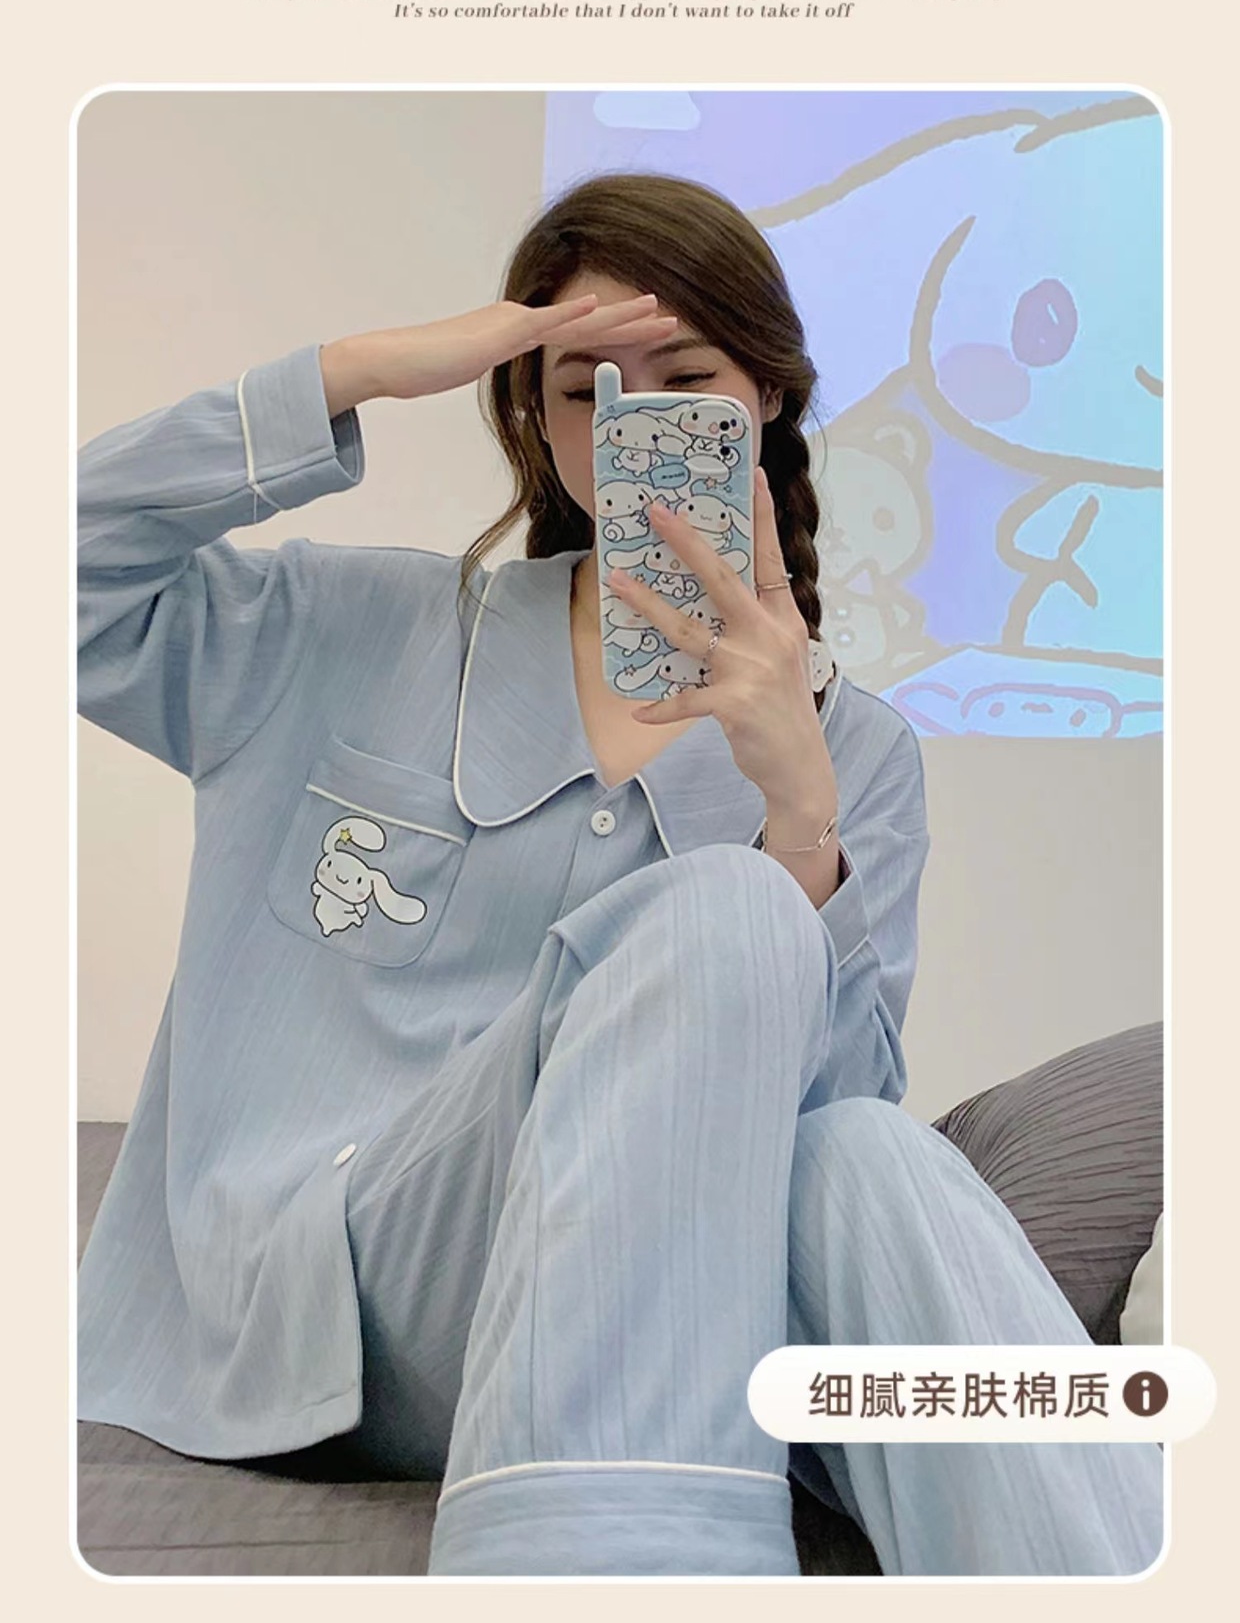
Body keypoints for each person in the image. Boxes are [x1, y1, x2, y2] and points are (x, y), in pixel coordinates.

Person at [77, 171, 1162, 1577]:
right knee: (726, 911)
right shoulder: (349, 629)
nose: (634, 422)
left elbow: (807, 1129)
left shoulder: (856, 754)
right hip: (339, 1303)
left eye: (687, 383)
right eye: (586, 390)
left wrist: (797, 808)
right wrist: (359, 372)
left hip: (644, 1288)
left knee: (868, 1156)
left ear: (766, 400)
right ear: (533, 415)